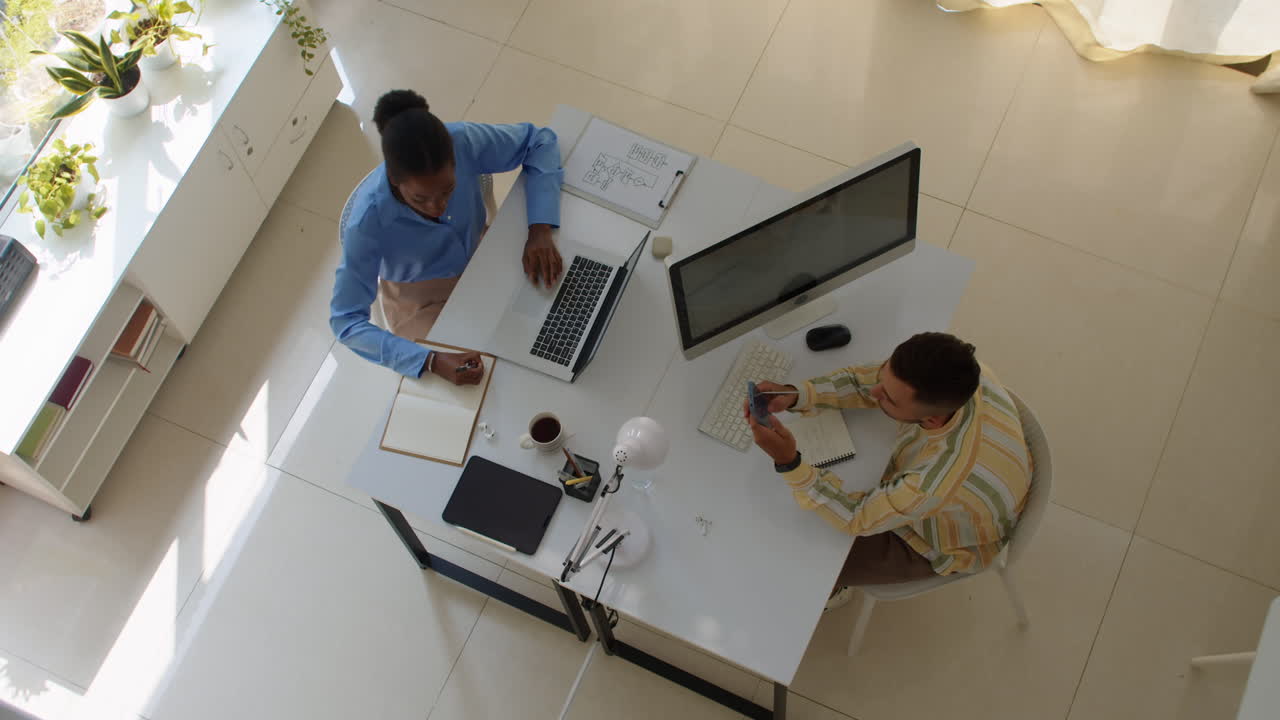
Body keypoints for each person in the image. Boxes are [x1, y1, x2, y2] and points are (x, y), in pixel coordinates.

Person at [745, 332, 1031, 609]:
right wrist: (798, 396)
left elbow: (856, 517)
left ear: (931, 419)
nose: (874, 392)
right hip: (987, 477)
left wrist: (789, 462)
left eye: (889, 399)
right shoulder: (963, 372)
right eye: (884, 379)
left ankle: (835, 590)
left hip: (952, 539)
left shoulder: (933, 482)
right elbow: (864, 382)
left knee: (807, 556)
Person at [330, 89, 565, 385]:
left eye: (447, 191)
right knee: (488, 380)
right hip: (420, 301)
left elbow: (539, 141)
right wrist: (430, 360)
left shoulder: (462, 141)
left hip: (483, 254)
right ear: (394, 180)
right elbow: (345, 321)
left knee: (552, 321)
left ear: (455, 161)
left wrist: (540, 229)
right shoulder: (367, 223)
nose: (437, 207)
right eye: (420, 198)